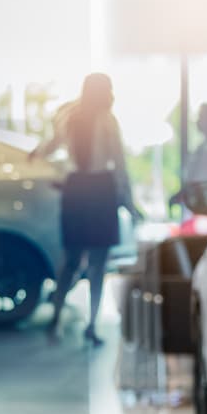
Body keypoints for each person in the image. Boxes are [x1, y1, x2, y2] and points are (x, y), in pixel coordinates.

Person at [32, 73, 137, 345]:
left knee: (72, 259)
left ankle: (57, 318)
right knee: (97, 264)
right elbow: (119, 164)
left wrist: (35, 155)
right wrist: (129, 200)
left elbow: (50, 145)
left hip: (76, 189)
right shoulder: (106, 120)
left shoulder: (70, 117)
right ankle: (90, 324)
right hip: (100, 190)